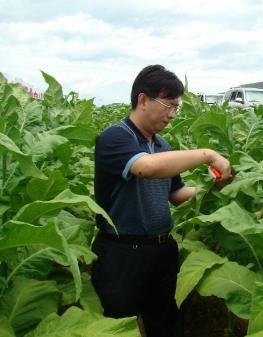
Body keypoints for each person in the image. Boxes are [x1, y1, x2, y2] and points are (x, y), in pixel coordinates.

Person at [92, 65, 232, 337]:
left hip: (161, 250)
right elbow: (147, 168)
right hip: (122, 254)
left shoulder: (162, 146)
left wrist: (211, 188)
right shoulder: (115, 137)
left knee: (165, 323)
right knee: (119, 326)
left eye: (176, 108)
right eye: (168, 105)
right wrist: (207, 154)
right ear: (143, 100)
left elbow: (176, 195)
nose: (172, 115)